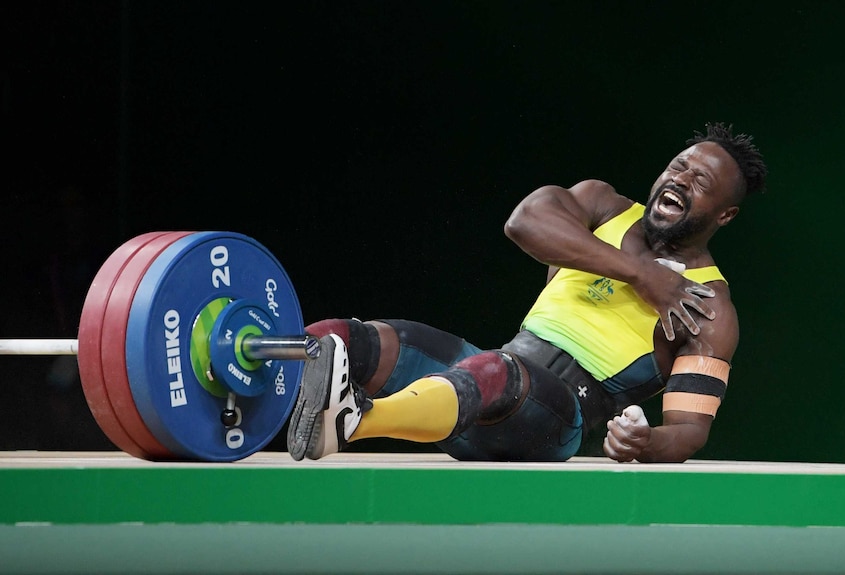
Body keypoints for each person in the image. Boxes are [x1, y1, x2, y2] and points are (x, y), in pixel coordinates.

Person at [287, 122, 767, 463]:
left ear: (724, 215)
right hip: (477, 386)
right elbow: (525, 221)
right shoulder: (602, 205)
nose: (680, 179)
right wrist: (642, 275)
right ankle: (243, 375)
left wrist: (644, 443)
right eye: (678, 166)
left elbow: (689, 431)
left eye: (700, 182)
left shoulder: (711, 309)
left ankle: (352, 424)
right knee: (365, 339)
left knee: (497, 371)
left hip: (553, 424)